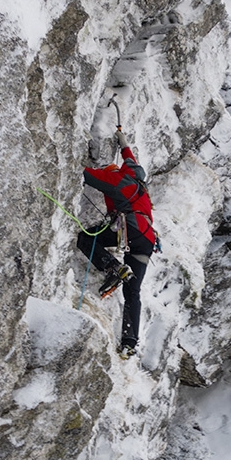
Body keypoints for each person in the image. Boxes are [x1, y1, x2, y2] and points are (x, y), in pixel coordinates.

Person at [77, 129, 156, 358]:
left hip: (132, 231)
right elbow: (129, 156)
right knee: (134, 291)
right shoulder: (135, 175)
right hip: (147, 240)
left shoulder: (117, 180)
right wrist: (122, 140)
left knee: (86, 237)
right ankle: (129, 342)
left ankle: (114, 267)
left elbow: (86, 174)